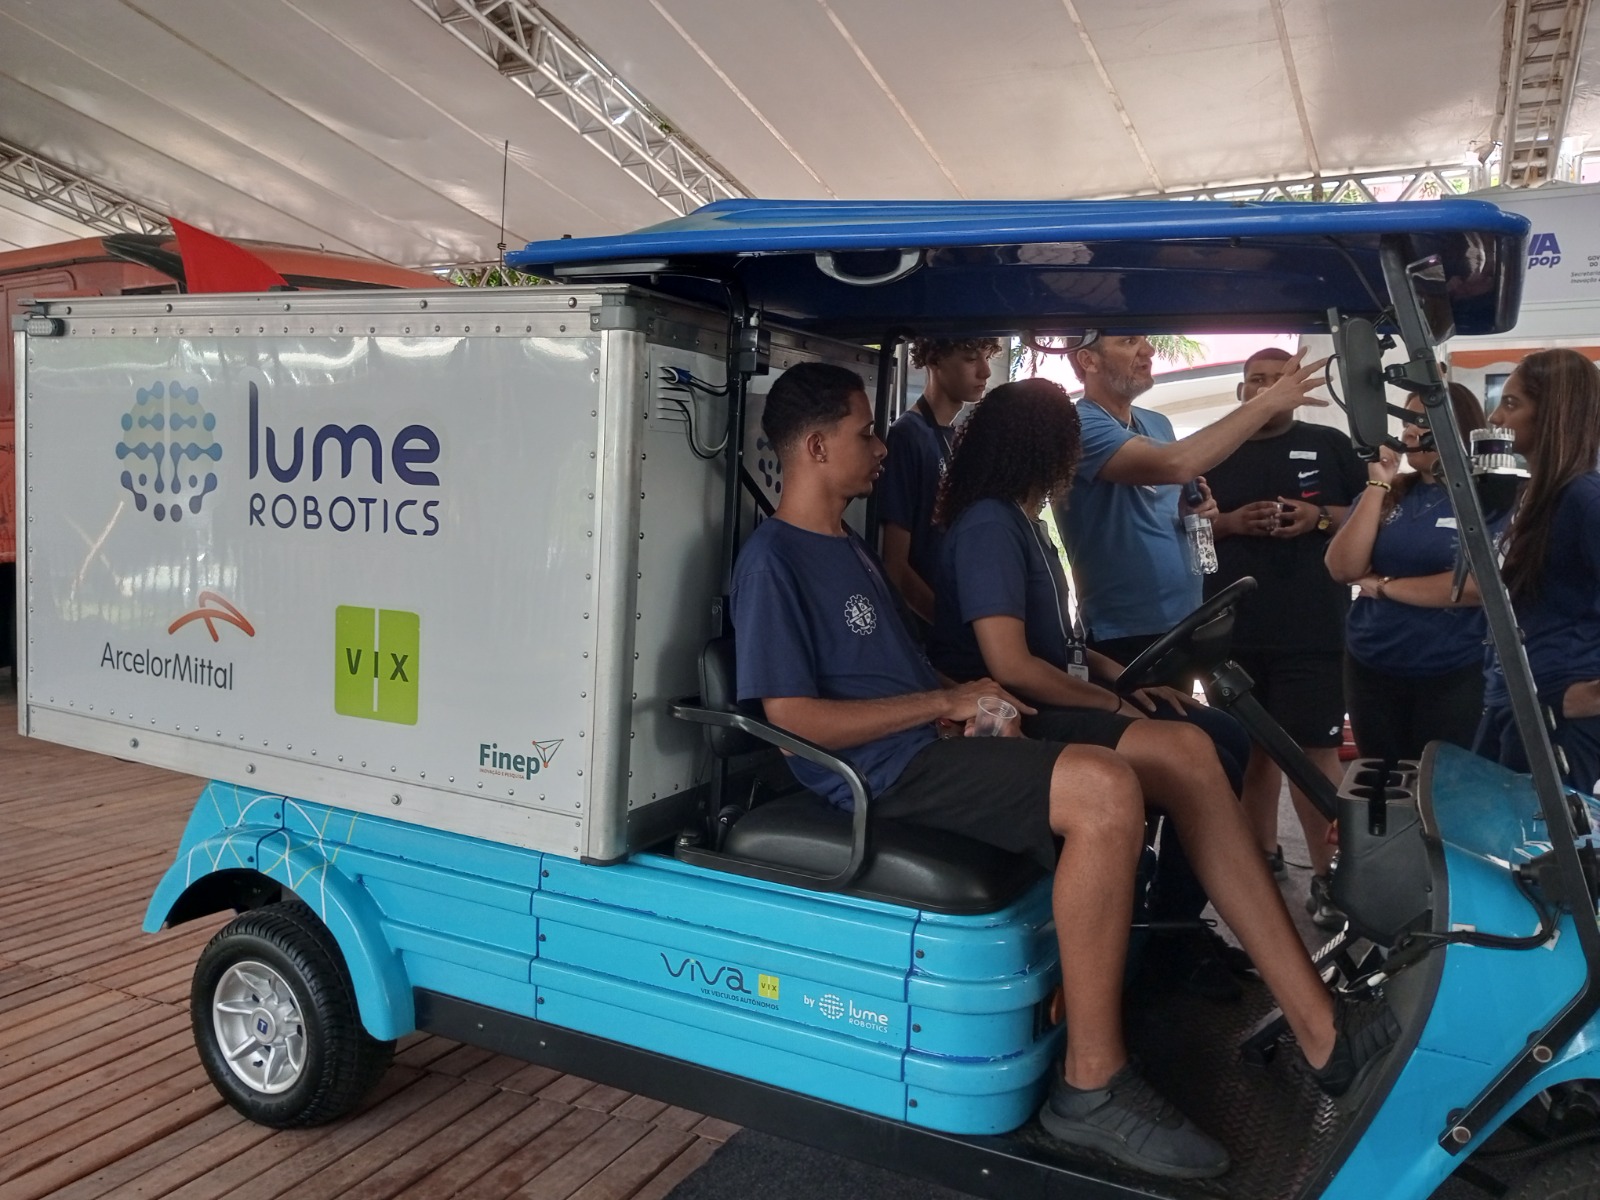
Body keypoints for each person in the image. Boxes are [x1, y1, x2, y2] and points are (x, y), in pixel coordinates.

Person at [733, 360, 1397, 1181]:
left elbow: (914, 675)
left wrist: (965, 700)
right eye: (867, 432)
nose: (881, 448)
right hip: (875, 772)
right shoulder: (775, 561)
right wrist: (944, 703)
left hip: (926, 745)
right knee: (1106, 784)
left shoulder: (850, 551)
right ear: (815, 444)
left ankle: (1318, 1027)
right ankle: (1091, 1082)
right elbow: (791, 718)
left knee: (1176, 753)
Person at [928, 377, 1253, 999]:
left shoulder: (1024, 522)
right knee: (1205, 749)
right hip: (1019, 715)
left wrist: (1119, 675)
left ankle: (1171, 927)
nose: (1075, 460)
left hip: (1057, 692)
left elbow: (1059, 643)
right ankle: (1169, 940)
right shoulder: (989, 526)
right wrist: (1114, 702)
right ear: (1040, 447)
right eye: (1068, 444)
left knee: (1226, 736)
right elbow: (1013, 665)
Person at [1206, 348, 1366, 930]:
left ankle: (1334, 878)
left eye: (1277, 380)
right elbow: (1178, 526)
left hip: (1313, 629)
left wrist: (1316, 518)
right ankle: (1259, 862)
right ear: (1240, 390)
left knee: (1313, 757)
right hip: (1229, 634)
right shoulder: (1211, 448)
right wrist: (1228, 523)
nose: (1265, 388)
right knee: (1249, 756)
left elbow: (1368, 516)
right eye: (1255, 380)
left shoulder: (1332, 446)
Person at [1054, 334, 1327, 667]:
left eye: (1145, 340)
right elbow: (1176, 463)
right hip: (1122, 631)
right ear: (1088, 361)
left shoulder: (1157, 422)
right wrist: (1268, 402)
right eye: (1128, 341)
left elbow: (1168, 498)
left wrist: (1194, 514)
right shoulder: (1076, 426)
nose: (1149, 350)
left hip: (1183, 620)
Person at [1325, 384, 1499, 764]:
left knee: (1441, 785)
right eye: (1406, 422)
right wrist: (1378, 481)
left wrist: (1385, 587)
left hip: (1453, 668)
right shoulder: (1392, 493)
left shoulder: (1487, 497)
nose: (1408, 433)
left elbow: (1474, 587)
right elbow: (1342, 568)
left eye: (1420, 423)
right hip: (1372, 663)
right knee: (1381, 784)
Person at [1468, 350, 1600, 792]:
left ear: (1553, 413)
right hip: (1515, 700)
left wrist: (1591, 698)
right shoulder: (1534, 497)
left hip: (1561, 710)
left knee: (1550, 854)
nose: (1495, 416)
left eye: (1512, 403)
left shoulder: (1585, 499)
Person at [879, 337, 1001, 627]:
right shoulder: (908, 436)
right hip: (928, 633)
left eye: (987, 358)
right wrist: (951, 629)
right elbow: (894, 565)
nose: (985, 372)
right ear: (933, 360)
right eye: (971, 358)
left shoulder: (955, 436)